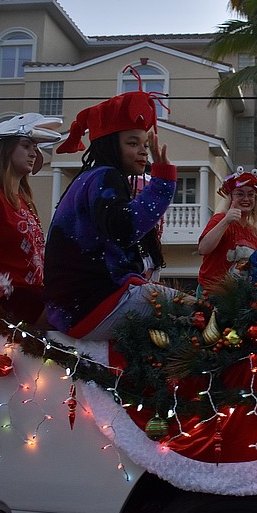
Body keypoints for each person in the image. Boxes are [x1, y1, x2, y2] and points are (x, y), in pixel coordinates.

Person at [44, 87, 183, 340]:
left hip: (79, 308)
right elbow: (124, 229)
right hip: (94, 306)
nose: (144, 151)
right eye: (132, 143)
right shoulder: (104, 176)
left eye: (145, 144)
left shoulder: (90, 178)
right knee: (198, 314)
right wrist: (162, 183)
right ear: (110, 144)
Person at [0, 113, 63, 324]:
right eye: (26, 145)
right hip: (0, 295)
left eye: (35, 147)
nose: (34, 153)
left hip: (31, 295)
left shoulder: (24, 201)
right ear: (4, 149)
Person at [197, 168, 257, 293]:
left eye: (251, 194)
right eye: (240, 194)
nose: (246, 199)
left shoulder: (254, 233)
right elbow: (203, 248)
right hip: (212, 293)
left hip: (240, 297)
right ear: (230, 198)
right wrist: (226, 221)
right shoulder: (220, 219)